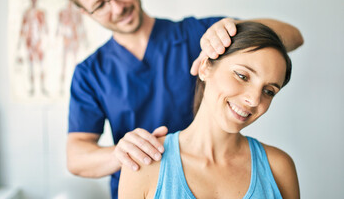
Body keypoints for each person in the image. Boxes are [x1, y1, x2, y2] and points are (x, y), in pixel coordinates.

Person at [60, 0, 303, 198]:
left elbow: (292, 37)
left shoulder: (198, 36)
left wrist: (235, 28)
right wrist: (124, 153)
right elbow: (77, 157)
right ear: (85, 12)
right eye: (100, 4)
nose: (117, 7)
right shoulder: (90, 73)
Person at [118, 22, 300, 199]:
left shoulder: (279, 168)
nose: (253, 100)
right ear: (205, 67)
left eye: (269, 91)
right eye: (242, 76)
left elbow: (297, 36)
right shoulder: (145, 164)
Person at [17, 0, 49, 96]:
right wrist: (19, 43)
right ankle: (32, 88)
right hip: (29, 41)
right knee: (31, 65)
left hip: (38, 41)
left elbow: (45, 28)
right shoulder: (26, 12)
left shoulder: (41, 13)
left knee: (41, 65)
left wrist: (46, 41)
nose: (34, 0)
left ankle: (42, 87)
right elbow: (22, 28)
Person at [56, 1, 87, 94]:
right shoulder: (63, 12)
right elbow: (59, 27)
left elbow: (82, 27)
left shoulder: (77, 13)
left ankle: (76, 87)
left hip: (74, 41)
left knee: (75, 64)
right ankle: (61, 87)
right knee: (64, 64)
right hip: (67, 41)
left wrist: (85, 40)